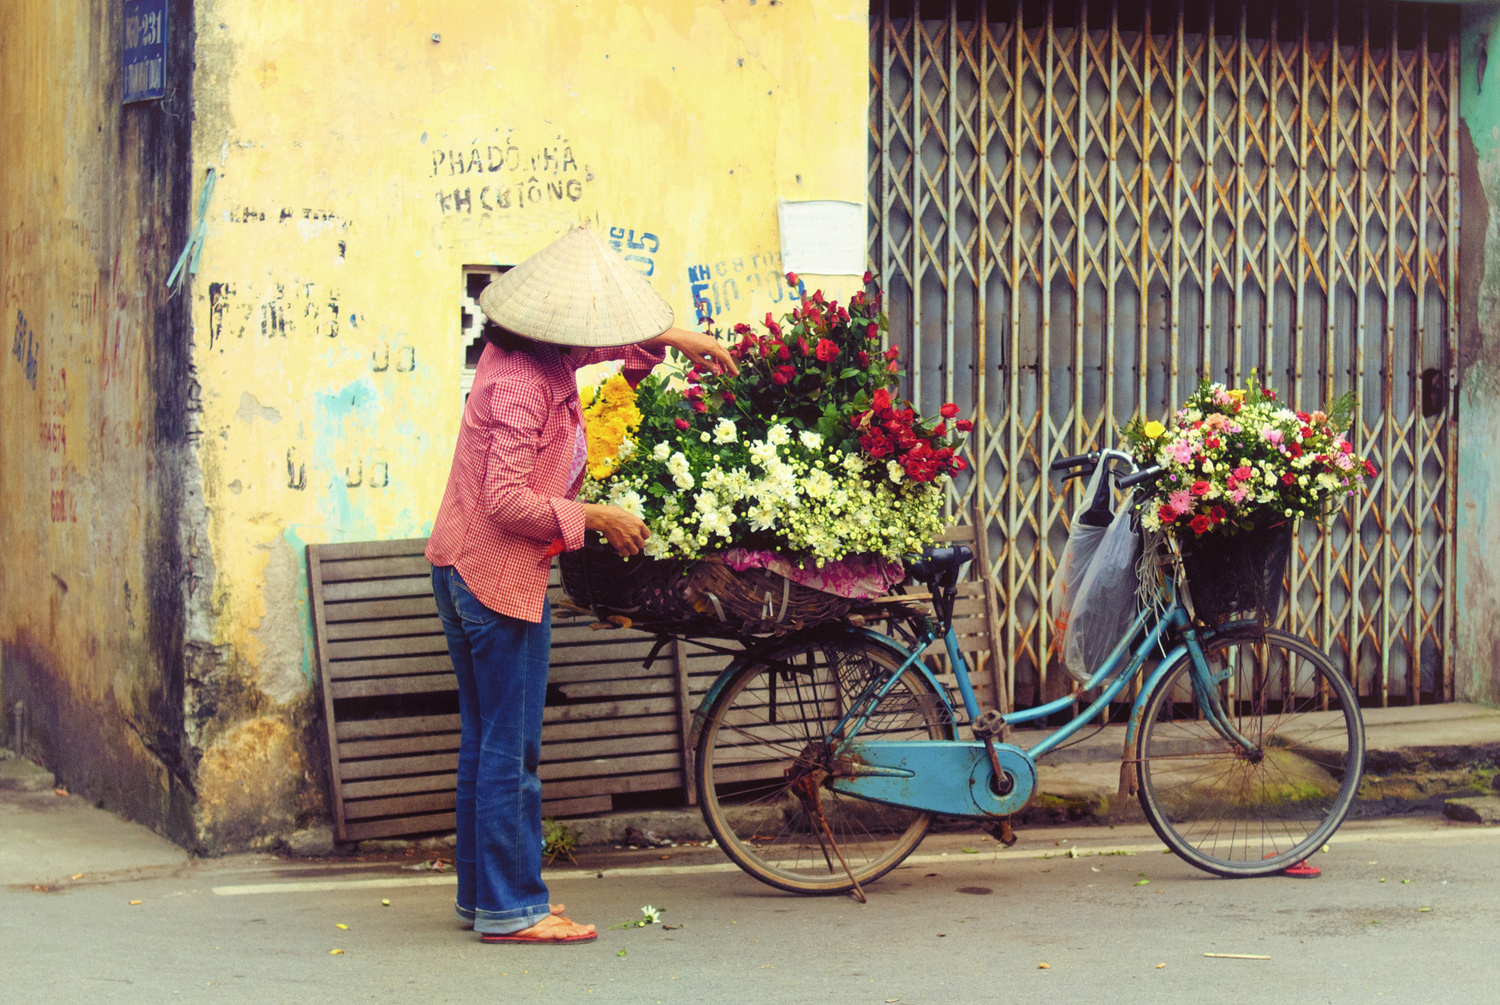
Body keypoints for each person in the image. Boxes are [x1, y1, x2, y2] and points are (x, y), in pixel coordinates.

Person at [425, 226, 737, 944]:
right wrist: (590, 515)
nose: (588, 339)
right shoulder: (524, 385)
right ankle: (514, 908)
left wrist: (678, 337)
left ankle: (488, 899)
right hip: (492, 579)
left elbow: (606, 347)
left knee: (485, 743)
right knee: (511, 750)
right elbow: (505, 498)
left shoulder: (523, 353)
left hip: (464, 569)